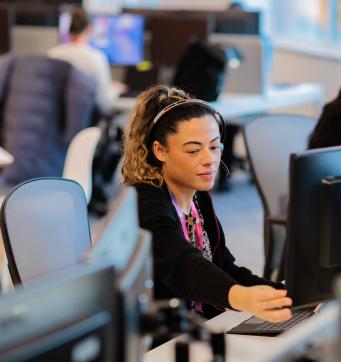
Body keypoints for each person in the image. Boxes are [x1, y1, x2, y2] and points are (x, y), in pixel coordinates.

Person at [121, 85, 292, 322]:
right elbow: (183, 265)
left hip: (201, 324)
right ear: (160, 151)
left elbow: (223, 266)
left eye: (214, 147)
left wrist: (285, 296)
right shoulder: (143, 203)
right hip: (159, 337)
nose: (209, 160)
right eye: (193, 150)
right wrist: (241, 297)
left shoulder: (197, 195)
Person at [48, 8, 126, 114]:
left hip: (54, 121)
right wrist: (115, 89)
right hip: (83, 121)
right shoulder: (96, 57)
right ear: (89, 29)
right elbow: (104, 103)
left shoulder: (52, 54)